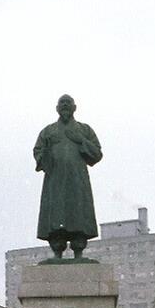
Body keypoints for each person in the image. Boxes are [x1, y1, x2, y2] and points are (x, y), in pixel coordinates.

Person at [34, 94, 102, 259]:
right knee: (56, 219)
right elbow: (38, 152)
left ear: (74, 107)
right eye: (62, 103)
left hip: (77, 182)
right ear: (57, 108)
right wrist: (47, 152)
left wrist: (80, 141)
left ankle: (79, 250)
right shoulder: (48, 131)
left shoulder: (84, 130)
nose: (65, 105)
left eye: (68, 103)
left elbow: (97, 154)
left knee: (79, 215)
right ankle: (57, 251)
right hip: (55, 182)